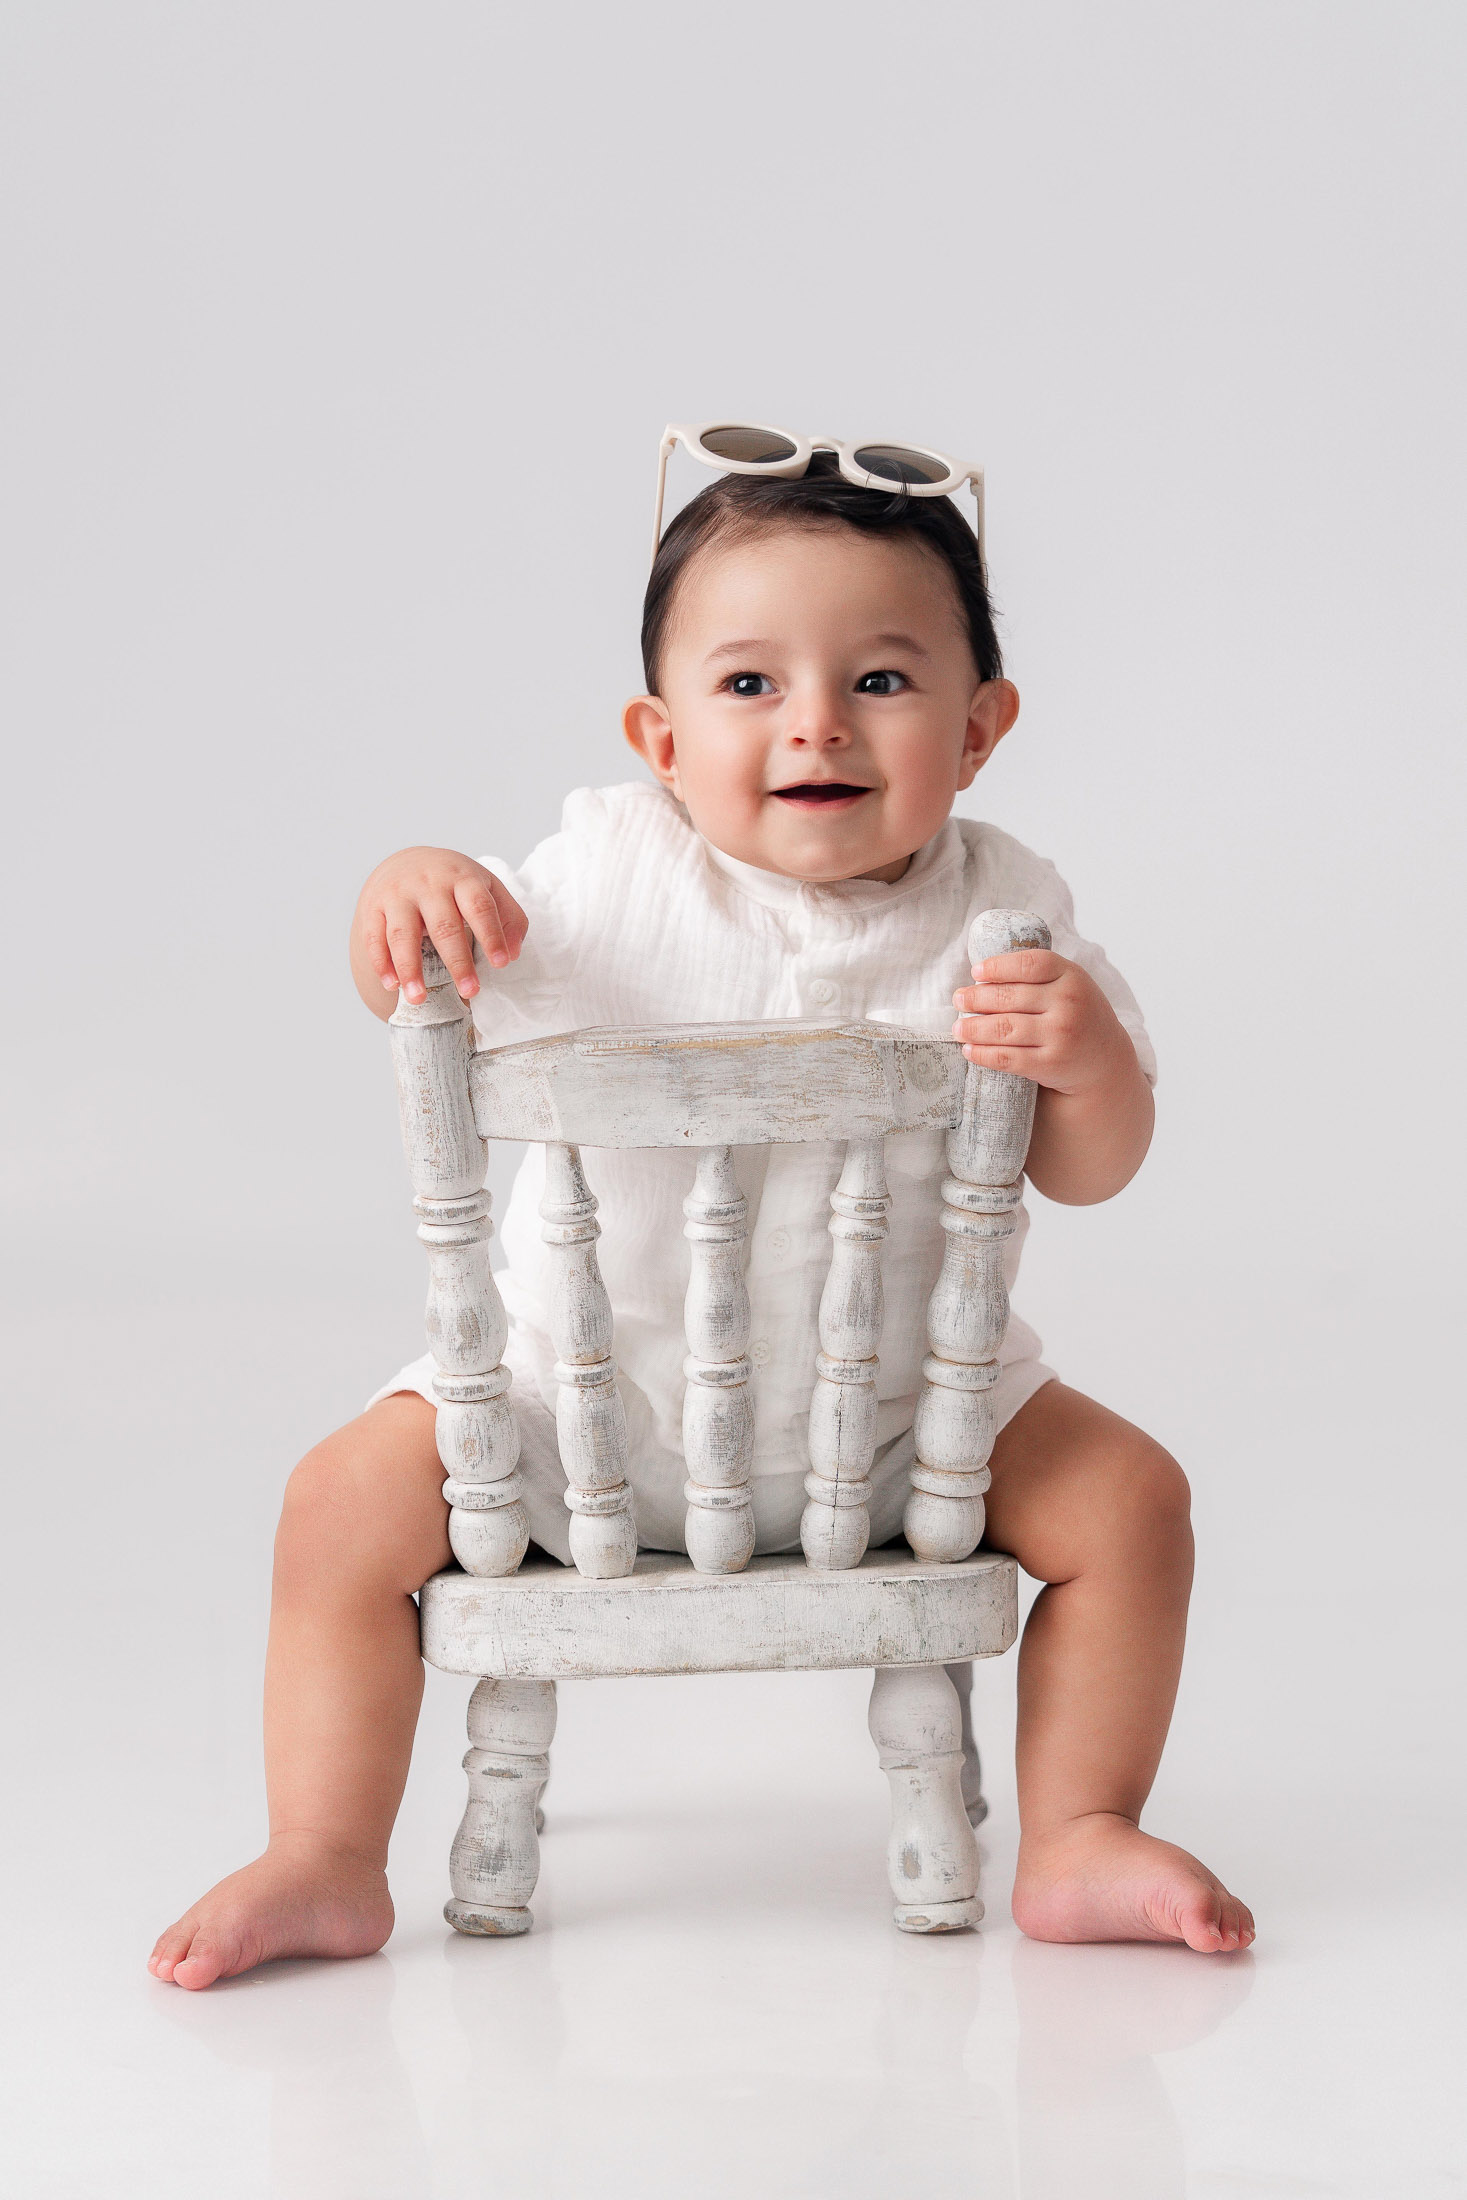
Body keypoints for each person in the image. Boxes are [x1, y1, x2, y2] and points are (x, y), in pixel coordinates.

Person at [150, 436, 1255, 1990]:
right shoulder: (607, 874)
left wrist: (1086, 1061)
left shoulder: (1005, 910)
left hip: (909, 1430)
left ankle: (1079, 1828)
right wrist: (404, 895)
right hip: (563, 1419)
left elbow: (1092, 1165)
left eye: (882, 679)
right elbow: (427, 992)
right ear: (660, 739)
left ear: (979, 728)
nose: (816, 720)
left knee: (1135, 1504)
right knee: (335, 1506)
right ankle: (324, 1852)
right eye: (750, 684)